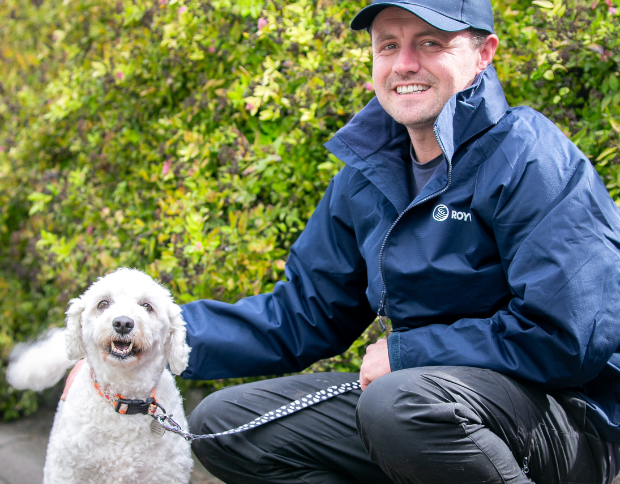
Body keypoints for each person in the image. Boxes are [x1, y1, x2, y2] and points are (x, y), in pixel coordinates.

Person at [59, 0, 620, 482]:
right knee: (223, 423)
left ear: (483, 52)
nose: (404, 64)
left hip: (566, 424)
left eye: (430, 42)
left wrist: (408, 354)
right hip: (421, 411)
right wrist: (154, 337)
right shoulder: (366, 178)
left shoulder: (529, 156)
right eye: (388, 45)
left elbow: (571, 335)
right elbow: (302, 315)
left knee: (398, 405)